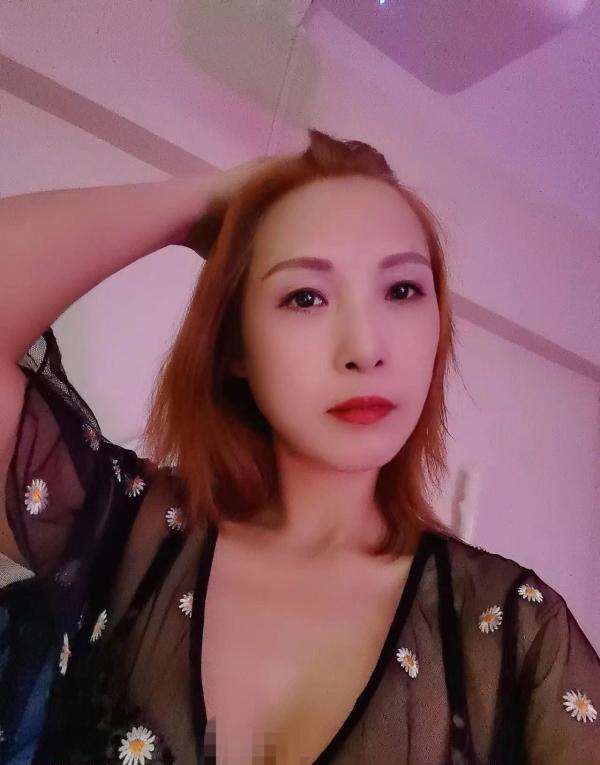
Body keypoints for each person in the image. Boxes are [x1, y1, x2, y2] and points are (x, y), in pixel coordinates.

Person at [0, 129, 598, 765]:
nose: (365, 348)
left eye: (402, 290)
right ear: (235, 346)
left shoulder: (513, 633)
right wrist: (207, 202)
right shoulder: (126, 530)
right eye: (305, 297)